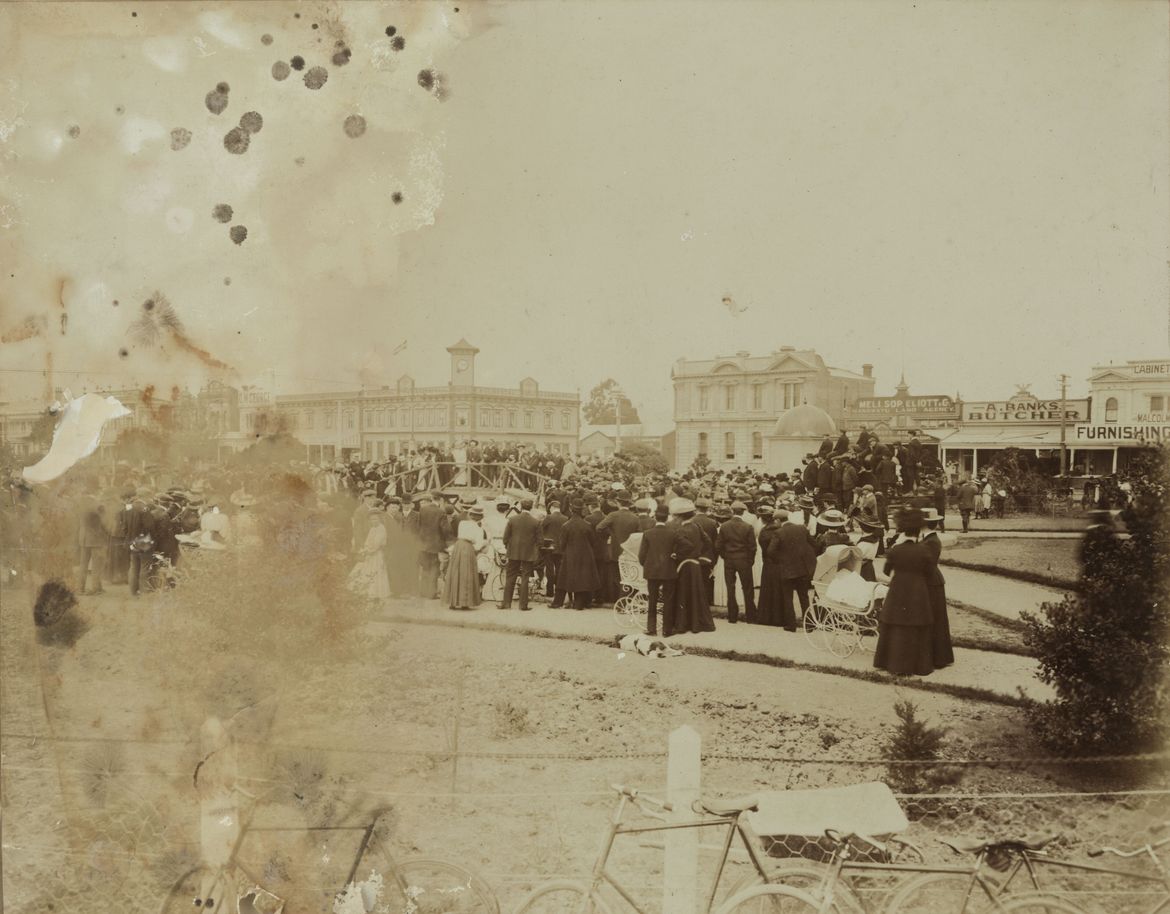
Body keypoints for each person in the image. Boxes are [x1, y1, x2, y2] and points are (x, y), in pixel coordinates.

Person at [873, 508, 935, 676]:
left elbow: (886, 571)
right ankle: (919, 665)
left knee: (896, 624)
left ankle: (892, 663)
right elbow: (930, 573)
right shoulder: (924, 550)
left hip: (898, 590)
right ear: (918, 531)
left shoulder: (895, 550)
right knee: (917, 623)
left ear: (903, 530)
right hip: (918, 591)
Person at [668, 498, 716, 634]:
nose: (675, 518)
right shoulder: (697, 527)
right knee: (696, 594)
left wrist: (677, 555)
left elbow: (681, 547)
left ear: (681, 516)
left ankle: (683, 624)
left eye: (676, 516)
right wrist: (698, 553)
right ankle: (696, 623)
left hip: (684, 566)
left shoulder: (680, 530)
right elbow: (708, 542)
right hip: (695, 564)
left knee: (683, 594)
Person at [768, 506, 817, 631]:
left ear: (778, 520)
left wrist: (780, 560)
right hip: (802, 569)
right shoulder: (801, 528)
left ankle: (791, 624)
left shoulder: (778, 532)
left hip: (787, 569)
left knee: (788, 598)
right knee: (804, 597)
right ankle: (809, 624)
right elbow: (814, 544)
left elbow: (771, 551)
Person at [715, 500, 757, 624]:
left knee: (730, 588)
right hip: (743, 560)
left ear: (733, 511)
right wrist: (750, 560)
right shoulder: (748, 527)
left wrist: (725, 556)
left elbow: (718, 545)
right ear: (743, 512)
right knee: (747, 588)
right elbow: (752, 547)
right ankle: (751, 616)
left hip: (729, 560)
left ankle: (732, 616)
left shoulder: (725, 526)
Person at [638, 506, 677, 637]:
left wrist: (648, 565)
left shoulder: (648, 533)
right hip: (668, 570)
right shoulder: (673, 533)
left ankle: (651, 629)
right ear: (667, 517)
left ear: (655, 517)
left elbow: (642, 556)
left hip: (652, 571)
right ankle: (667, 630)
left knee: (652, 600)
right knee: (668, 600)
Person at [555, 499, 600, 610]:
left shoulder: (566, 525)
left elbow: (562, 544)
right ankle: (579, 603)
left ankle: (558, 602)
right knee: (582, 579)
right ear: (582, 510)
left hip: (570, 554)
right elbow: (594, 542)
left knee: (564, 578)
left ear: (571, 509)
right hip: (586, 555)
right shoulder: (587, 525)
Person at [500, 498, 540, 611]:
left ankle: (506, 603)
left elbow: (505, 538)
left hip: (513, 551)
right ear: (531, 508)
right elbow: (540, 541)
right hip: (528, 553)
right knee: (525, 577)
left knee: (510, 576)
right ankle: (523, 605)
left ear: (521, 507)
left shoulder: (512, 519)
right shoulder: (536, 522)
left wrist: (508, 547)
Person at [347, 504, 390, 601]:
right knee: (364, 570)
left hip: (377, 554)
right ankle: (364, 591)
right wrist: (365, 548)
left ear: (379, 519)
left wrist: (368, 550)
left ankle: (375, 592)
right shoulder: (372, 529)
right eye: (371, 519)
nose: (373, 521)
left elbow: (377, 543)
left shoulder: (381, 528)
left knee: (375, 571)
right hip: (369, 553)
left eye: (375, 519)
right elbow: (368, 541)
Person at [447, 506, 486, 610]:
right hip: (468, 549)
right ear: (480, 517)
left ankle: (453, 602)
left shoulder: (462, 523)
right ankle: (465, 602)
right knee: (467, 574)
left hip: (458, 546)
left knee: (455, 573)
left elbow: (460, 535)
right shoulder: (479, 529)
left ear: (470, 515)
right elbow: (478, 546)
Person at [410, 492, 446, 599]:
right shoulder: (441, 512)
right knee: (434, 569)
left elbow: (418, 527)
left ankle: (423, 592)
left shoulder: (422, 510)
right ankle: (431, 593)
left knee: (425, 568)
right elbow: (445, 530)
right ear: (440, 500)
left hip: (423, 545)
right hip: (435, 546)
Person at [78, 499, 109, 595]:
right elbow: (104, 525)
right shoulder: (99, 509)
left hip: (84, 539)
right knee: (97, 565)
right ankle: (96, 588)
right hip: (96, 540)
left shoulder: (82, 508)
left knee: (83, 565)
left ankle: (80, 588)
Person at [540, 500, 567, 598]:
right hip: (561, 547)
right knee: (559, 569)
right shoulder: (565, 518)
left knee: (549, 569)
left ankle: (550, 591)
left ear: (552, 508)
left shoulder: (548, 517)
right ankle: (559, 590)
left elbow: (541, 529)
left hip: (549, 547)